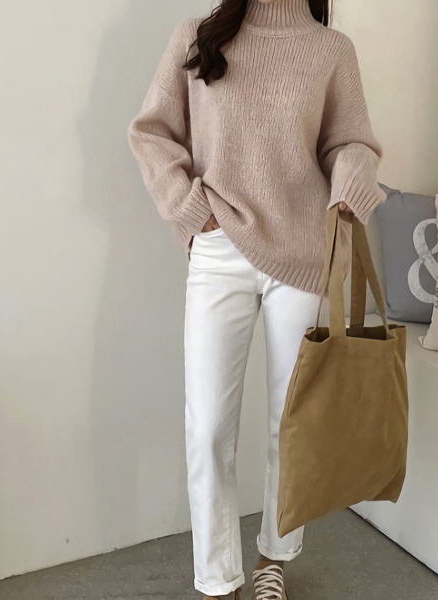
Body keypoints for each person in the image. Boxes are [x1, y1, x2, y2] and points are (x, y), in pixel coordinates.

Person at [128, 0, 384, 598]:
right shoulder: (196, 36)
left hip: (303, 251)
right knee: (208, 428)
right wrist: (192, 211)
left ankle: (275, 558)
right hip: (219, 249)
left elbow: (350, 141)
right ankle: (218, 579)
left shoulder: (330, 49)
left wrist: (351, 177)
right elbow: (151, 133)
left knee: (290, 424)